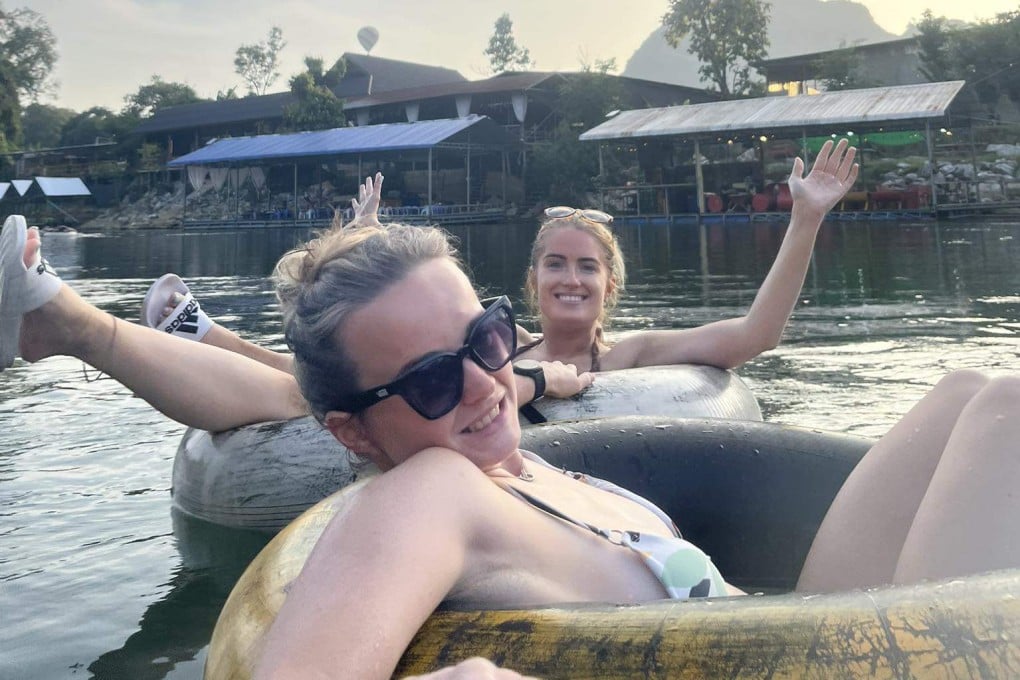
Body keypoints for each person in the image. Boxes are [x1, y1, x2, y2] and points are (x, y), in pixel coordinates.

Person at [5, 213, 1020, 679]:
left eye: (485, 338)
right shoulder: (426, 493)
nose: (490, 383)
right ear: (353, 429)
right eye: (438, 379)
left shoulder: (529, 458)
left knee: (983, 392)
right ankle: (77, 325)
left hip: (802, 624)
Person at [515, 138, 859, 373]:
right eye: (555, 263)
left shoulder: (628, 357)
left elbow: (756, 334)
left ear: (609, 286)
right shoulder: (504, 347)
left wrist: (806, 218)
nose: (571, 279)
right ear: (534, 279)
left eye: (587, 267)